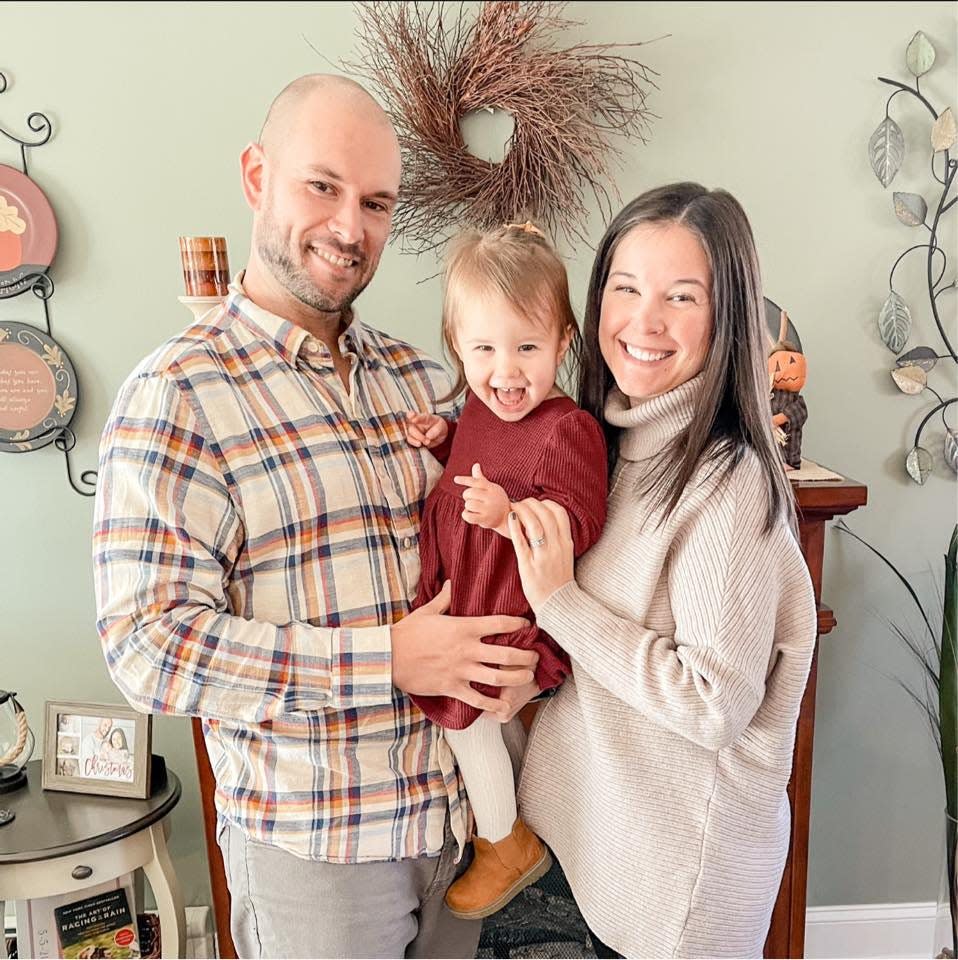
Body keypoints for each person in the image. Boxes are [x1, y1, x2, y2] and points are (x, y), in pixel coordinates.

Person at [93, 74, 539, 960]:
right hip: (315, 857)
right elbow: (147, 648)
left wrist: (521, 670)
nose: (349, 226)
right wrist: (388, 659)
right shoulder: (177, 394)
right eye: (322, 186)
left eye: (376, 202)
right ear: (258, 176)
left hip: (458, 830)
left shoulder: (425, 380)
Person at [506, 183, 818, 958]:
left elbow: (713, 705)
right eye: (627, 288)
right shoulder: (609, 448)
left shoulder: (728, 481)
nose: (644, 322)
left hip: (672, 900)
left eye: (681, 297)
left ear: (728, 318)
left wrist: (561, 604)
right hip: (590, 857)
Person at [403, 223, 607, 919]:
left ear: (562, 341)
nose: (506, 371)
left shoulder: (566, 428)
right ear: (458, 347)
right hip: (463, 597)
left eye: (527, 347)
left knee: (468, 719)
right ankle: (503, 818)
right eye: (484, 349)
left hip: (505, 611)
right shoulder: (478, 409)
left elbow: (580, 522)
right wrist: (445, 443)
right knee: (476, 725)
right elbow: (474, 468)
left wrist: (510, 516)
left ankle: (505, 843)